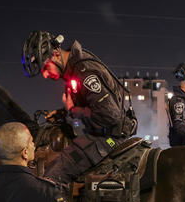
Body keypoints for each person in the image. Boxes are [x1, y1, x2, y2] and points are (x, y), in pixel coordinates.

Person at [21, 31, 137, 189]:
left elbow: (110, 115)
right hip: (101, 133)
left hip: (111, 138)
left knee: (53, 176)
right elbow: (90, 105)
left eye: (46, 68)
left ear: (56, 54)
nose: (46, 75)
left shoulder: (85, 72)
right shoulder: (74, 69)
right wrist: (63, 112)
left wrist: (74, 110)